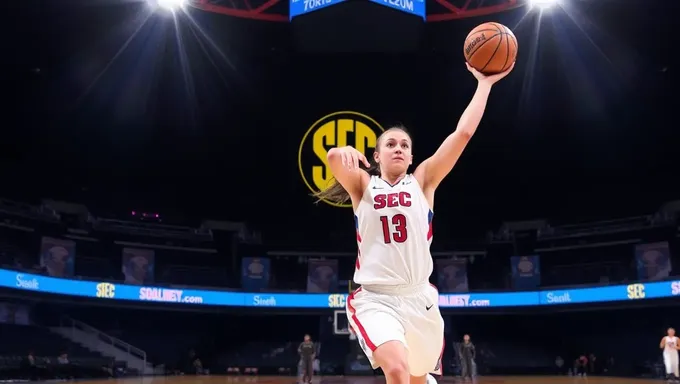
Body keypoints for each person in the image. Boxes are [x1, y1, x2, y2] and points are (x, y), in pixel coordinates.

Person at [316, 62, 514, 384]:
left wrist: (484, 84)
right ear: (377, 156)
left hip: (419, 298)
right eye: (390, 144)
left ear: (411, 157)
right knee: (397, 371)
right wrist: (343, 149)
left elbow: (462, 134)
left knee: (419, 377)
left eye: (404, 146)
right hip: (376, 297)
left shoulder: (422, 182)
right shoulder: (364, 186)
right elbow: (334, 160)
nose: (398, 148)